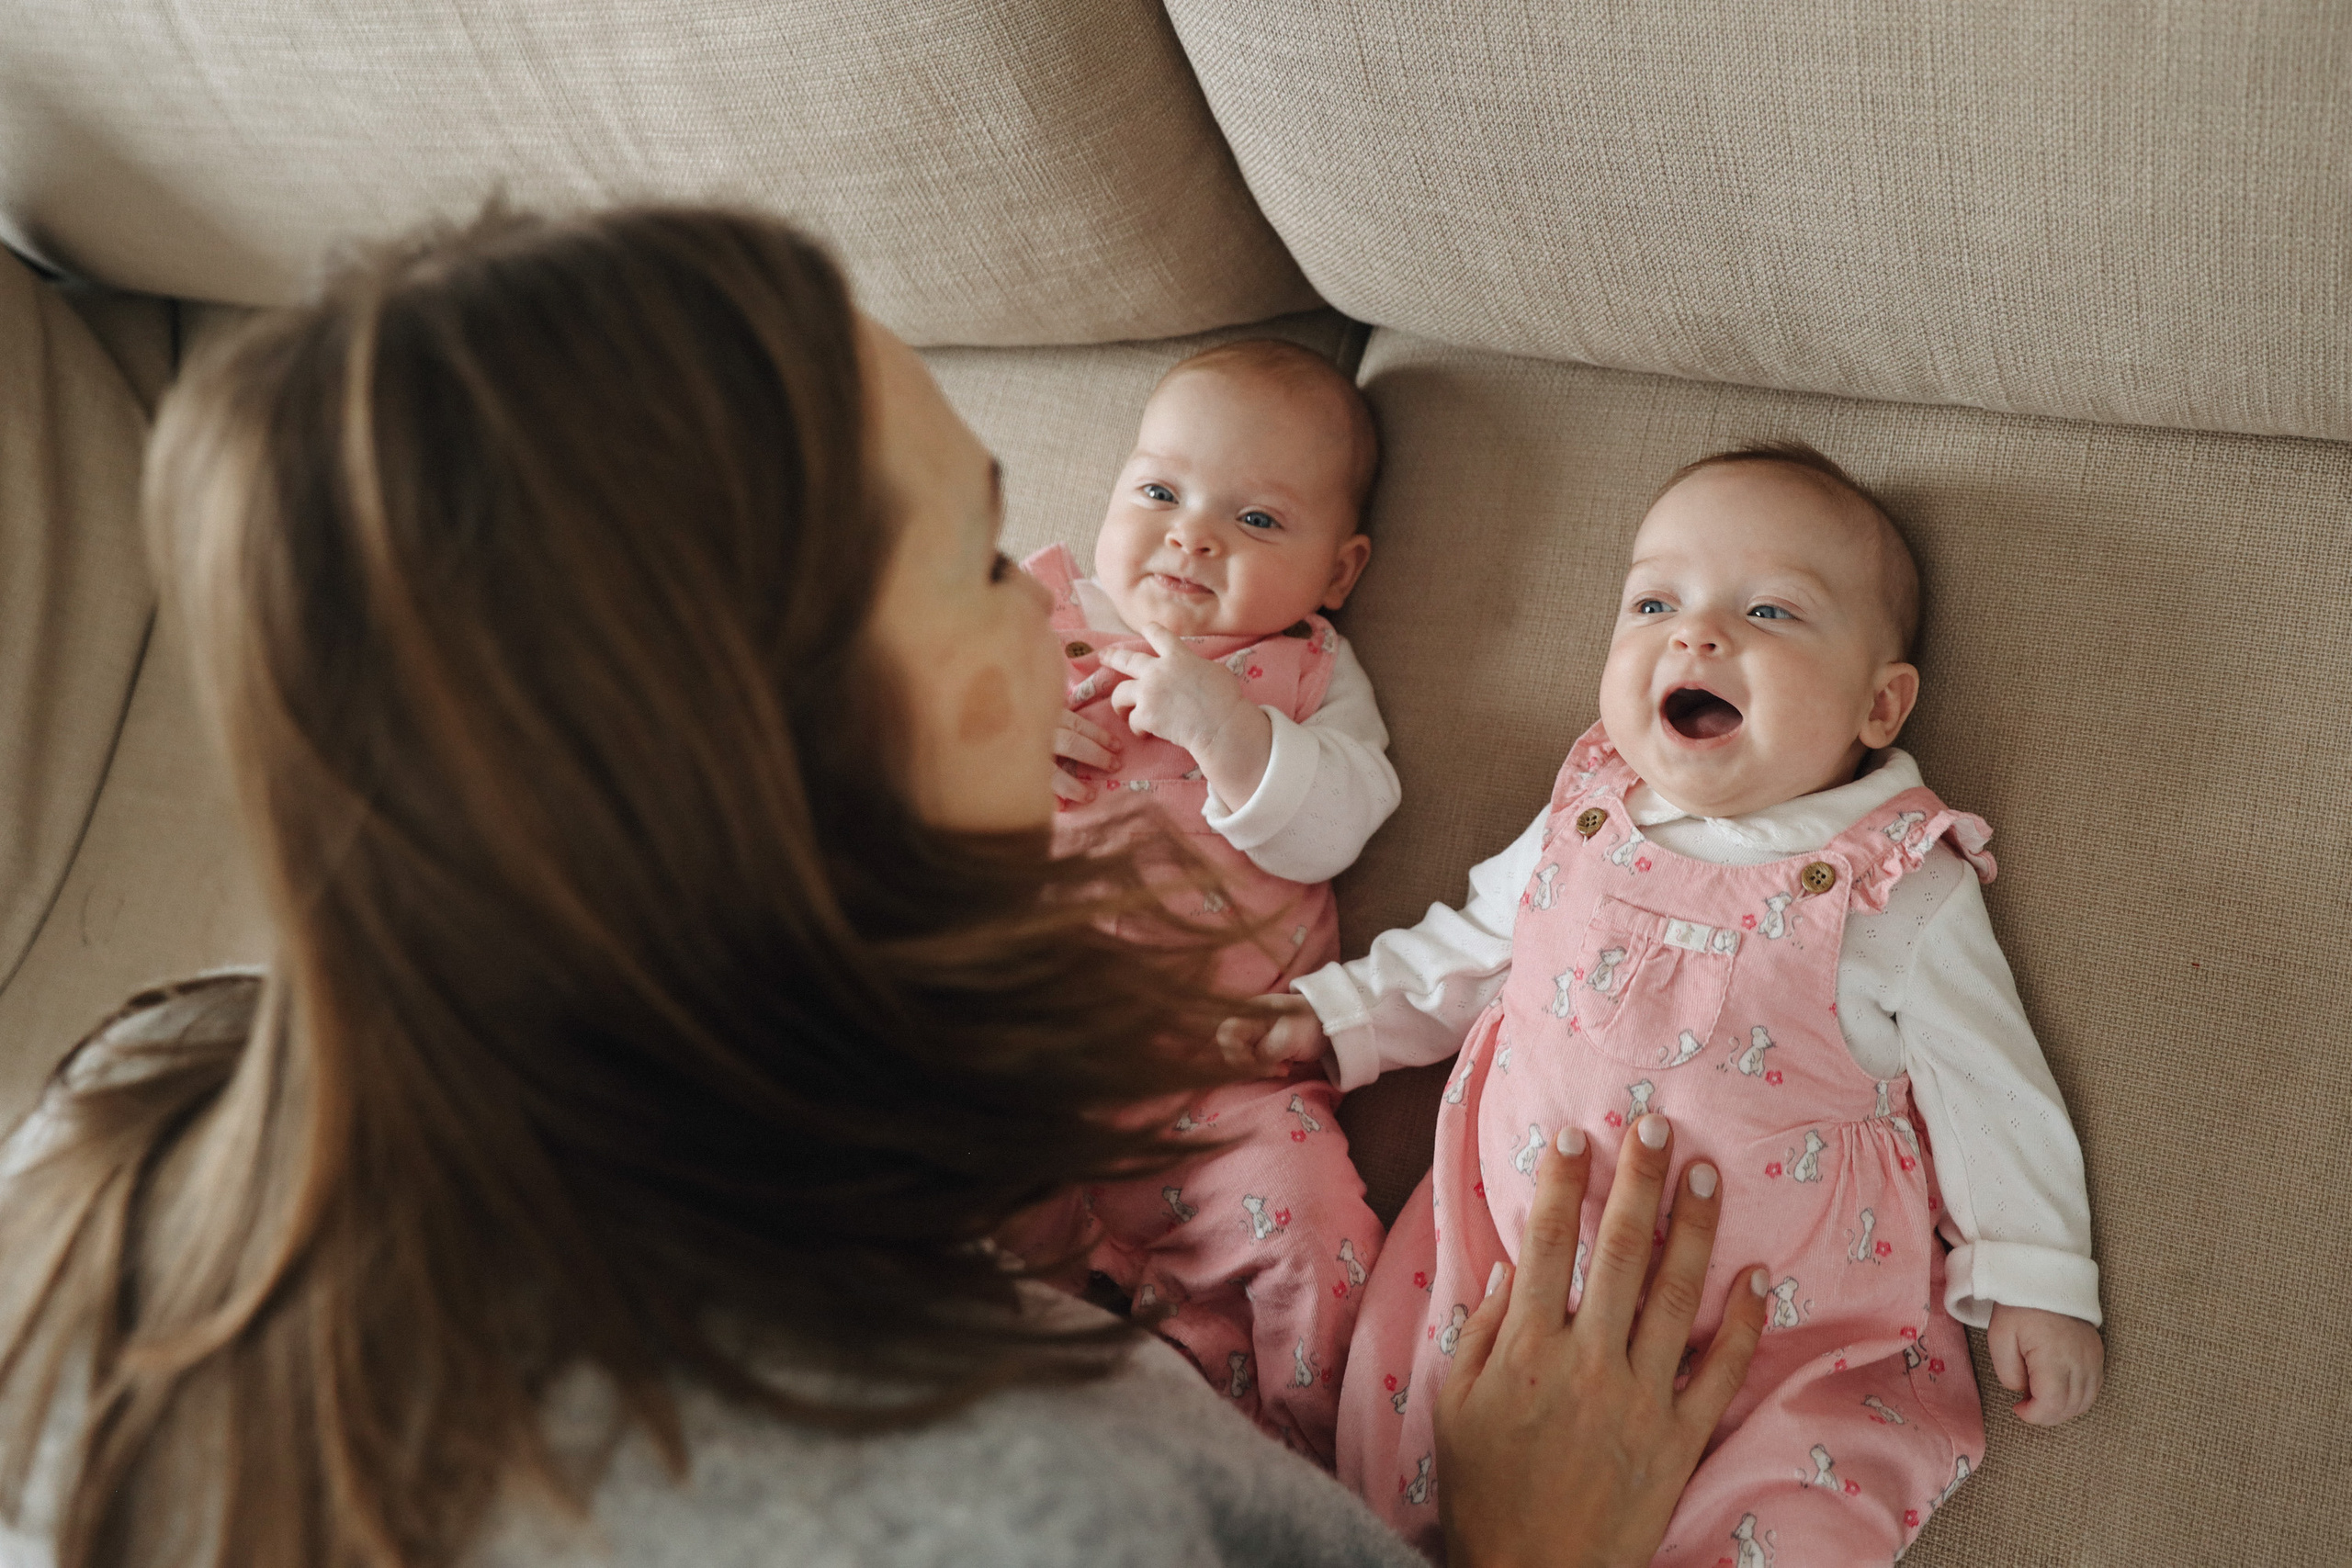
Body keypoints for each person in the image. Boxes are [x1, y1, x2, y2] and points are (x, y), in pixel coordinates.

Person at [0, 207, 1766, 1568]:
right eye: (983, 556)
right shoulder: (1034, 1491)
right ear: (780, 756)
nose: (1055, 602)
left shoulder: (133, 1096)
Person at [1236, 445, 2106, 1562]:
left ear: (1880, 704)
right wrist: (1335, 1020)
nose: (1695, 636)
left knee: (1789, 1519)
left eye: (1771, 611)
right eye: (1654, 601)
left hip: (1783, 1345)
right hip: (1504, 1284)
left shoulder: (1892, 882)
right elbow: (1466, 952)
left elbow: (1987, 1085)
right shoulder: (1584, 814)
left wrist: (2033, 1277)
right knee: (1390, 1471)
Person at [1001, 339, 1396, 1462]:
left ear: (1338, 571)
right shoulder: (1030, 626)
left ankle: (1310, 1462)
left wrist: (1227, 729)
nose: (1192, 534)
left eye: (1257, 521)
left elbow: (1341, 824)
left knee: (1314, 1227)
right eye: (1161, 493)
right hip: (1007, 1056)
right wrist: (985, 761)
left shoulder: (1310, 676)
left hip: (1217, 1087)